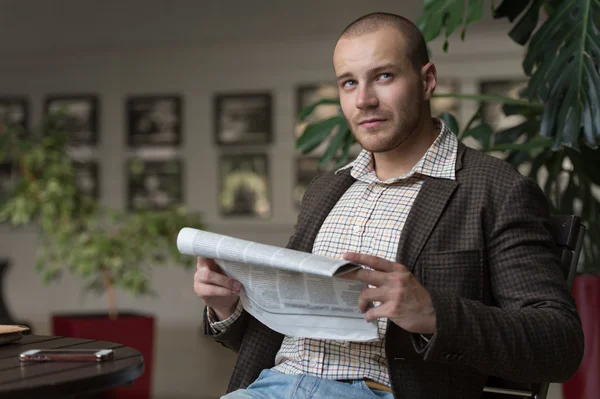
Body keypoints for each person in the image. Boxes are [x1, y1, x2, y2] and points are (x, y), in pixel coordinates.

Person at [193, 12, 584, 399]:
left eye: (384, 76)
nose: (364, 100)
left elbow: (558, 343)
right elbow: (275, 334)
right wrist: (227, 306)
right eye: (349, 83)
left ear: (427, 80)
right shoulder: (325, 190)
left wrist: (433, 313)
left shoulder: (495, 189)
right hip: (270, 387)